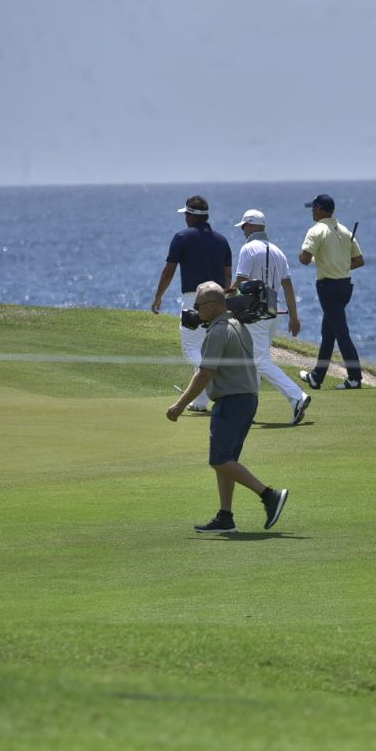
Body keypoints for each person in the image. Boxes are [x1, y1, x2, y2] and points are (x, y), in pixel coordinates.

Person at [167, 281, 290, 533]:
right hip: (244, 400)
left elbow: (204, 373)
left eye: (199, 306)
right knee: (227, 461)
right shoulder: (236, 323)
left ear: (212, 306)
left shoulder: (218, 331)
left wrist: (179, 405)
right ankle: (225, 517)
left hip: (232, 402)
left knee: (220, 460)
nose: (196, 310)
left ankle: (269, 495)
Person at [150, 195, 232, 412]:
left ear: (191, 216)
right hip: (219, 301)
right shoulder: (222, 240)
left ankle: (216, 374)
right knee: (205, 347)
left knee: (190, 349)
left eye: (186, 214)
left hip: (194, 300)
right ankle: (201, 401)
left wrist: (158, 297)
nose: (185, 218)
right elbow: (227, 274)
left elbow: (169, 270)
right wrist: (225, 299)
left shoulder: (181, 238)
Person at [233, 209, 311, 425]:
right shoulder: (279, 251)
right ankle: (248, 411)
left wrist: (223, 298)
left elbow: (240, 281)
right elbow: (287, 285)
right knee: (255, 361)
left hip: (253, 314)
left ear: (251, 226)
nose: (242, 231)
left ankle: (297, 397)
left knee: (259, 361)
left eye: (243, 226)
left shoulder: (248, 249)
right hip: (272, 314)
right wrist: (294, 318)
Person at [298, 194, 365, 390]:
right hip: (345, 286)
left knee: (341, 333)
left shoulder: (316, 230)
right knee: (328, 333)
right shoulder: (344, 230)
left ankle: (354, 378)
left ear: (320, 209)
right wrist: (339, 265)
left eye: (313, 208)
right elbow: (359, 261)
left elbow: (304, 258)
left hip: (328, 287)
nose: (312, 211)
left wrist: (313, 260)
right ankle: (316, 377)